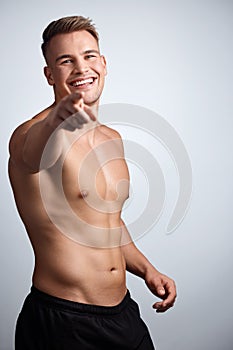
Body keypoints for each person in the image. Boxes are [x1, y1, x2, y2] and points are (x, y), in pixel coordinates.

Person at [9, 15, 176, 349]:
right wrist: (59, 117)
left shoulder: (111, 138)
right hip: (63, 322)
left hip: (124, 314)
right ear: (49, 74)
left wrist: (147, 270)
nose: (81, 68)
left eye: (88, 56)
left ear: (103, 63)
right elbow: (32, 154)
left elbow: (107, 222)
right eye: (65, 61)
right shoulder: (29, 134)